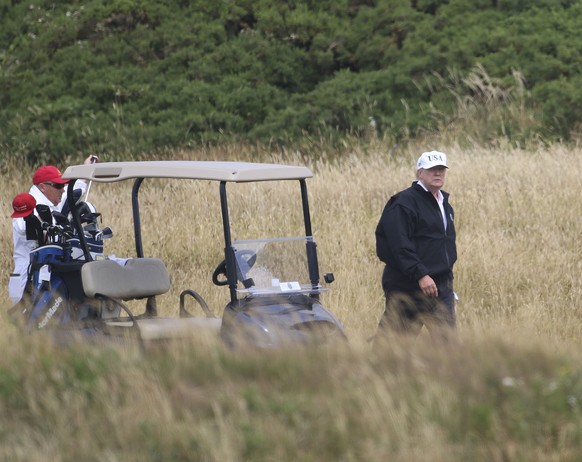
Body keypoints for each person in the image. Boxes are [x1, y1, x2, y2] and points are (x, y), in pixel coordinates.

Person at [375, 150, 457, 342]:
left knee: (447, 343)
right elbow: (399, 244)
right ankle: (378, 370)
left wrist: (446, 277)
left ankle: (447, 373)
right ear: (420, 173)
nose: (437, 173)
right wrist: (420, 274)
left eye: (441, 169)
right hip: (408, 285)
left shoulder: (444, 203)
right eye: (431, 169)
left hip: (440, 285)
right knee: (394, 343)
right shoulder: (403, 203)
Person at [8, 156, 97, 305]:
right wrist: (47, 223)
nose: (62, 190)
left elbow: (74, 190)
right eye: (58, 185)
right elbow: (23, 225)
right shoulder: (29, 205)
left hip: (47, 276)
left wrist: (86, 167)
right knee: (27, 324)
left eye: (63, 185)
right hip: (27, 278)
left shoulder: (51, 198)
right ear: (43, 187)